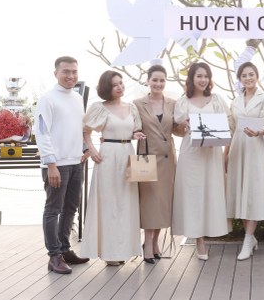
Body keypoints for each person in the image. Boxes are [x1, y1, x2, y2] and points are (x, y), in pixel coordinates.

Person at [80, 70, 146, 266]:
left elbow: (133, 129)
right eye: (115, 84)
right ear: (106, 87)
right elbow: (85, 130)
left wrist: (136, 135)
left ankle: (123, 250)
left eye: (121, 83)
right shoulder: (99, 108)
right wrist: (91, 149)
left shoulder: (131, 107)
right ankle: (109, 253)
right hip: (108, 156)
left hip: (128, 154)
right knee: (109, 204)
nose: (120, 87)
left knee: (126, 203)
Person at [35, 56, 90, 274]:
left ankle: (65, 250)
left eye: (74, 71)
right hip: (56, 165)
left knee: (70, 208)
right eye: (66, 71)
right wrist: (50, 164)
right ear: (56, 73)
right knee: (53, 210)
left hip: (76, 162)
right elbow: (42, 132)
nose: (71, 76)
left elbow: (78, 128)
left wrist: (85, 149)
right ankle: (54, 256)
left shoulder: (77, 98)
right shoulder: (47, 99)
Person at [172, 62, 231, 260]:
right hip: (191, 153)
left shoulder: (216, 100)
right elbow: (177, 129)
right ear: (191, 78)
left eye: (206, 76)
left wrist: (218, 136)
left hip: (212, 153)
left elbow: (229, 123)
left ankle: (211, 229)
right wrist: (184, 125)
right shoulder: (183, 102)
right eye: (199, 76)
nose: (203, 80)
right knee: (193, 194)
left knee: (211, 192)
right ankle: (199, 240)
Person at [226, 61, 264, 261]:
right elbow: (230, 129)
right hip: (238, 150)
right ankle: (250, 237)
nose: (248, 78)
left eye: (251, 74)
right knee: (241, 193)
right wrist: (225, 155)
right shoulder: (235, 101)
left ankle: (247, 240)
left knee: (253, 194)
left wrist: (259, 132)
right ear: (240, 79)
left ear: (257, 76)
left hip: (255, 149)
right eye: (244, 75)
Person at [133, 64, 178, 264]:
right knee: (149, 202)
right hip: (145, 158)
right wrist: (133, 133)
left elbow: (177, 130)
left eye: (162, 80)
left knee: (163, 203)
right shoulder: (137, 104)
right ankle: (148, 243)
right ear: (148, 81)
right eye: (155, 80)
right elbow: (131, 127)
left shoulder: (173, 103)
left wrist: (189, 125)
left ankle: (154, 242)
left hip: (168, 159)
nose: (158, 84)